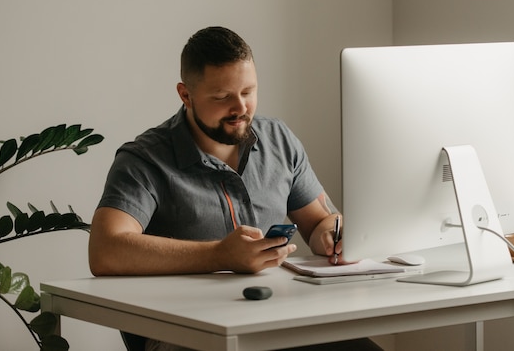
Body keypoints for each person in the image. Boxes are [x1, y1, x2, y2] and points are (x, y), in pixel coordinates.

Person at [88, 26, 383, 351]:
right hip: (185, 331)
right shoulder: (145, 159)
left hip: (277, 318)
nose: (240, 107)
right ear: (186, 95)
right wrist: (219, 255)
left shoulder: (279, 141)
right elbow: (105, 251)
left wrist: (331, 234)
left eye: (248, 91)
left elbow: (319, 221)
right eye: (222, 97)